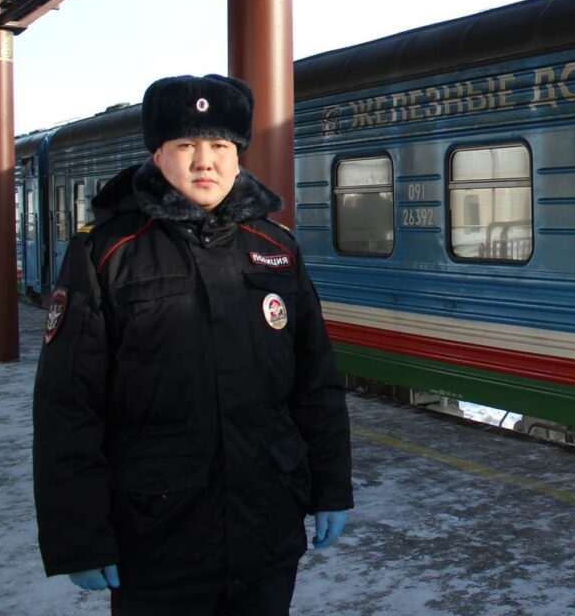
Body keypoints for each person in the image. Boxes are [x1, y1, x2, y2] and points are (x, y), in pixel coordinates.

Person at [33, 74, 353, 615]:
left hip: (265, 524)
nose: (205, 161)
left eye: (221, 146)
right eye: (187, 145)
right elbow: (68, 404)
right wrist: (79, 535)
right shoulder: (106, 253)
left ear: (238, 156)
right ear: (158, 155)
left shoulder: (276, 249)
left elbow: (315, 383)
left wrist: (331, 487)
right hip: (156, 532)